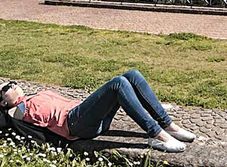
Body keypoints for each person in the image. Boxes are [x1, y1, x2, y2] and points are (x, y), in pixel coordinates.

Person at [0, 70, 195, 152]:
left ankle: (168, 125)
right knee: (118, 83)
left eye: (12, 82)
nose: (12, 85)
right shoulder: (16, 111)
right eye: (6, 88)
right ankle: (158, 136)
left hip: (85, 114)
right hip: (75, 124)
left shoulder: (33, 96)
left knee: (132, 75)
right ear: (3, 103)